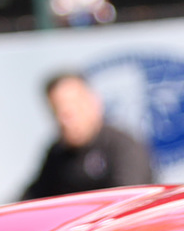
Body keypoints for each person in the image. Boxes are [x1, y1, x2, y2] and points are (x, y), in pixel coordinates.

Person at [20, 71, 155, 200]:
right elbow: (31, 198)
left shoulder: (123, 147)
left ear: (94, 102)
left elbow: (127, 202)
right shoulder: (57, 154)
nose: (66, 120)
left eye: (72, 109)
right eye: (58, 112)